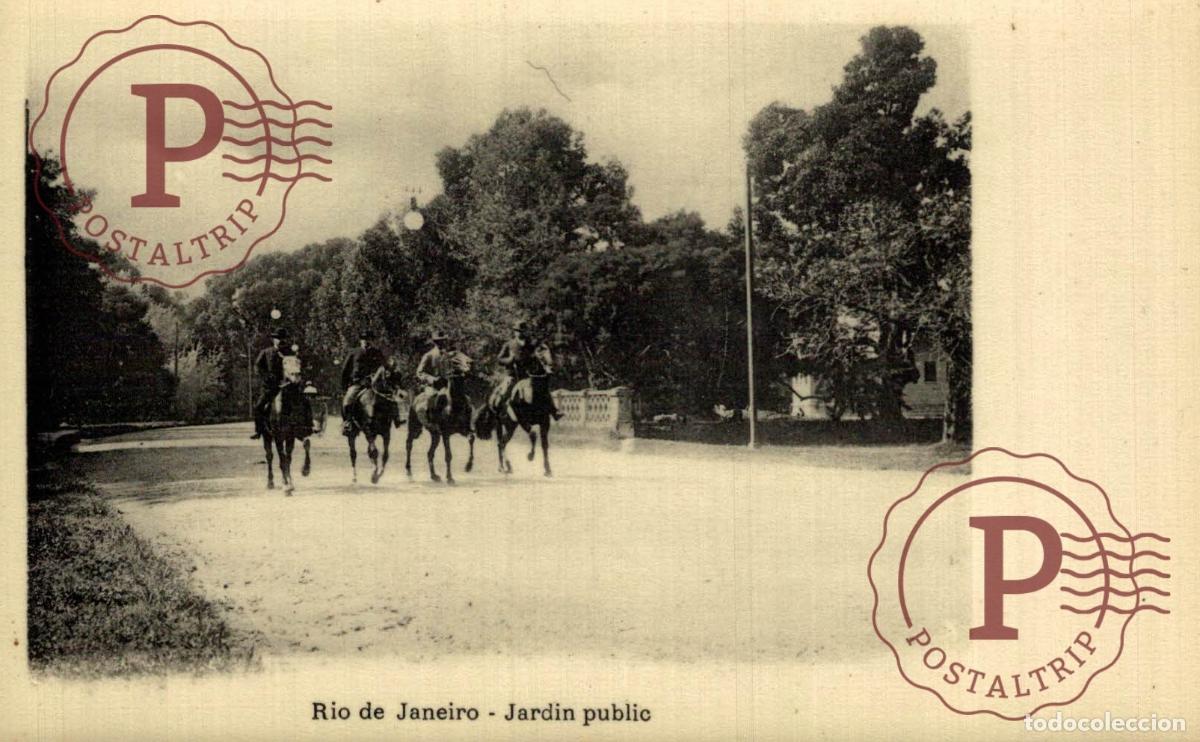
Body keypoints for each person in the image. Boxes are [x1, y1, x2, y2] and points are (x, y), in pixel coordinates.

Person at [251, 328, 316, 438]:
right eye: (277, 338)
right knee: (259, 406)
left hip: (289, 386)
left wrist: (298, 378)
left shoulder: (291, 353)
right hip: (272, 386)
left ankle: (308, 426)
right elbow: (258, 367)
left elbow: (299, 367)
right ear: (273, 340)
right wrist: (266, 377)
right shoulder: (266, 352)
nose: (280, 340)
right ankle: (259, 430)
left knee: (305, 402)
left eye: (282, 338)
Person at [495, 320, 562, 420]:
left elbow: (537, 356)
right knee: (505, 392)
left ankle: (554, 411)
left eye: (522, 331)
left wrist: (544, 365)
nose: (520, 333)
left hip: (527, 375)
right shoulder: (509, 345)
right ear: (514, 332)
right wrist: (509, 360)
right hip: (512, 375)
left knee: (543, 390)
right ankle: (501, 412)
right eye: (518, 331)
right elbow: (499, 359)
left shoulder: (530, 344)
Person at [341, 330, 386, 434]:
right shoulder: (353, 352)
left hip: (374, 385)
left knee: (390, 399)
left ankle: (396, 419)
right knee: (346, 402)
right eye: (364, 339)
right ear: (360, 340)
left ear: (372, 341)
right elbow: (345, 370)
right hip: (357, 384)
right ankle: (348, 422)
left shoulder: (377, 353)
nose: (366, 341)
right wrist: (344, 387)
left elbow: (384, 366)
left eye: (369, 339)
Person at [415, 330, 456, 416]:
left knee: (464, 400)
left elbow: (452, 369)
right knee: (430, 402)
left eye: (444, 340)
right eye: (439, 341)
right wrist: (432, 379)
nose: (442, 343)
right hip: (433, 386)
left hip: (447, 385)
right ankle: (432, 422)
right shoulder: (428, 355)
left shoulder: (448, 355)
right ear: (435, 342)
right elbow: (419, 372)